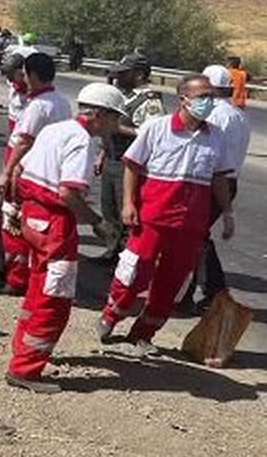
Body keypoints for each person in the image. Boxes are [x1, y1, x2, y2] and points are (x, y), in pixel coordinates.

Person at [98, 74, 237, 356]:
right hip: (153, 218)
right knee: (135, 272)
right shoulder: (157, 128)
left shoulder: (216, 136)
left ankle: (143, 334)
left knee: (173, 283)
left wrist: (228, 212)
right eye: (203, 97)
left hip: (190, 224)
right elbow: (133, 166)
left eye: (212, 96)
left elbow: (219, 178)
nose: (209, 102)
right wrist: (128, 204)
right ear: (183, 99)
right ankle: (112, 315)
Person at [5, 83, 125, 394]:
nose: (117, 126)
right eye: (115, 118)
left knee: (36, 289)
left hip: (33, 215)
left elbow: (20, 169)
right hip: (54, 225)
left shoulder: (54, 130)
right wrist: (97, 222)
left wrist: (18, 208)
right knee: (54, 299)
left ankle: (23, 351)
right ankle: (25, 370)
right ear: (99, 115)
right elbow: (68, 192)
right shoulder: (81, 141)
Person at [0, 51, 72, 295]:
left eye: (26, 73)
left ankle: (16, 279)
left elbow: (24, 142)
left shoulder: (39, 106)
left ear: (33, 75)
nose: (23, 77)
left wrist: (7, 173)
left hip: (23, 169)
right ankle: (17, 270)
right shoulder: (61, 101)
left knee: (12, 222)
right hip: (43, 171)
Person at [182, 65, 251, 309]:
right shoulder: (239, 114)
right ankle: (207, 290)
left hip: (211, 182)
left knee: (193, 237)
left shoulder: (215, 115)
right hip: (228, 181)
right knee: (197, 236)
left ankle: (206, 291)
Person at [94, 53, 164, 262]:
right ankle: (111, 251)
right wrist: (103, 154)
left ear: (139, 74)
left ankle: (126, 256)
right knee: (109, 208)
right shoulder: (124, 96)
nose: (118, 78)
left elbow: (151, 133)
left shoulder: (149, 100)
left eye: (124, 74)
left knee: (125, 209)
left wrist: (119, 129)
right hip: (112, 158)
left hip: (130, 162)